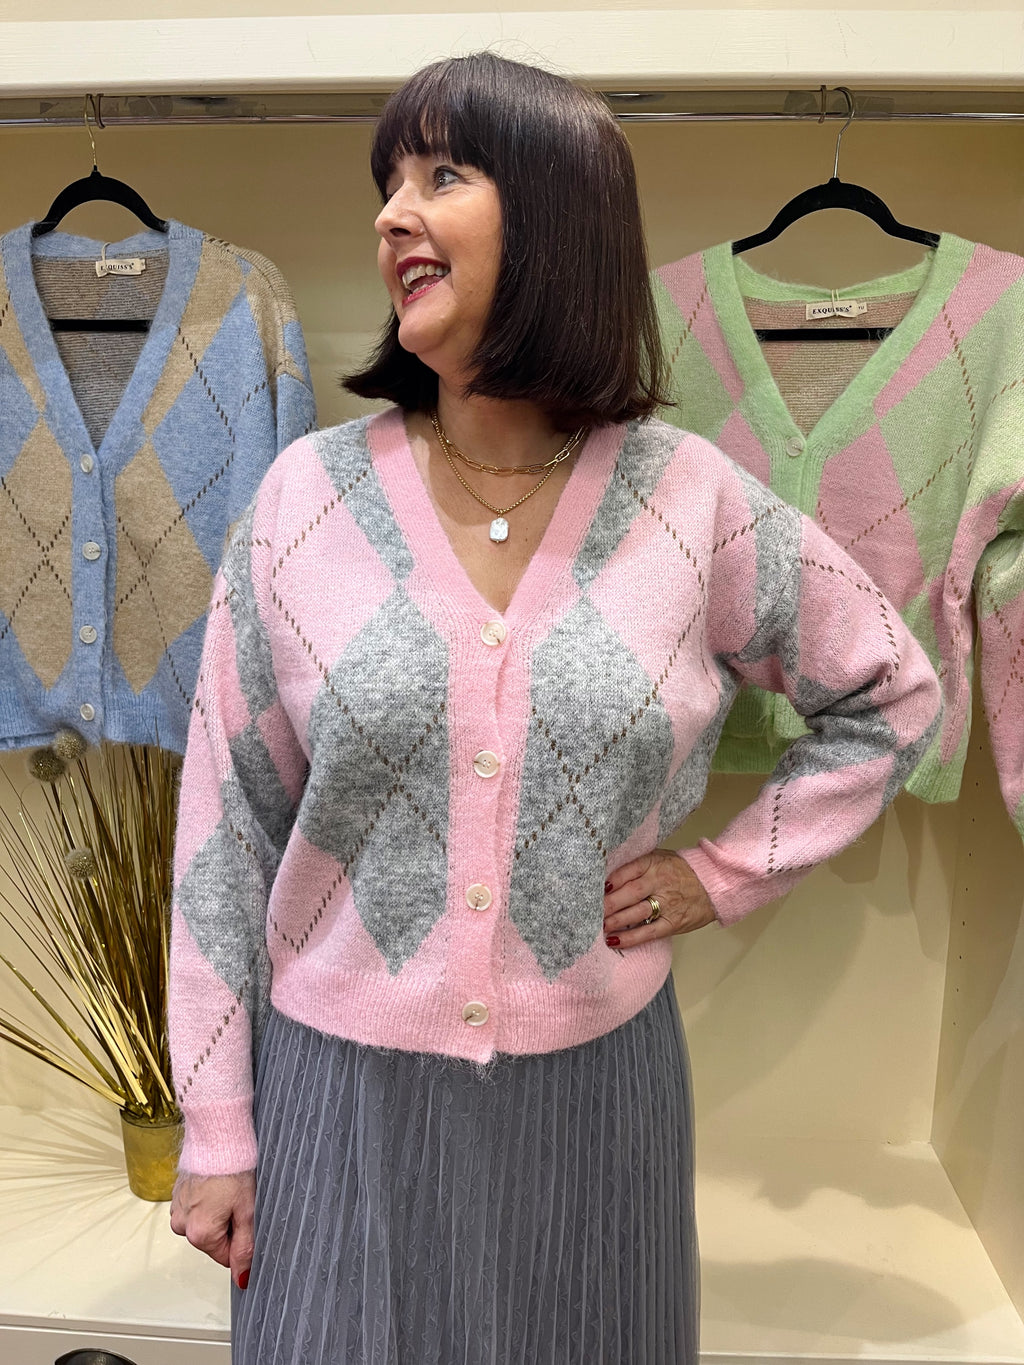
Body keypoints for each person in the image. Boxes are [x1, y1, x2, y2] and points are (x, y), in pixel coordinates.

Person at [168, 52, 942, 1365]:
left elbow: (890, 693)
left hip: (597, 1101)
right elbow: (224, 833)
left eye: (442, 175)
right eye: (387, 182)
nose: (392, 214)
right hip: (336, 1103)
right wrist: (217, 1127)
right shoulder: (306, 499)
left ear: (556, 215)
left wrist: (723, 873)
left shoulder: (688, 500)